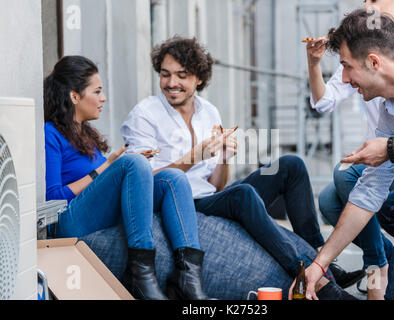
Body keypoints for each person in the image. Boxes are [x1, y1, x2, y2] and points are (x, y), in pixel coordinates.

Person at [121, 36, 362, 299]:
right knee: (243, 195)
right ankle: (304, 273)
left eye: (182, 75)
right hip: (180, 202)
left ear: (199, 79)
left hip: (208, 196)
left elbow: (216, 185)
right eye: (165, 75)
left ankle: (320, 258)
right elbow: (140, 182)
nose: (171, 83)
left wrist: (224, 158)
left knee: (291, 165)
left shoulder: (208, 112)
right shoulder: (145, 114)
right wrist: (195, 155)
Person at [303, 9, 394, 300]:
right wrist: (320, 263)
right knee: (386, 204)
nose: (343, 79)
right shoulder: (390, 112)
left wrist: (393, 148)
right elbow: (369, 192)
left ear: (373, 62)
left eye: (346, 66)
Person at [44, 55, 213, 300]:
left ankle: (188, 277)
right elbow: (53, 199)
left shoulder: (86, 134)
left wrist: (125, 166)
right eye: (97, 91)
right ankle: (141, 273)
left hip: (98, 213)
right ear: (75, 96)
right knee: (132, 162)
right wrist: (106, 167)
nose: (103, 98)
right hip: (69, 220)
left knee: (173, 177)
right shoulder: (51, 133)